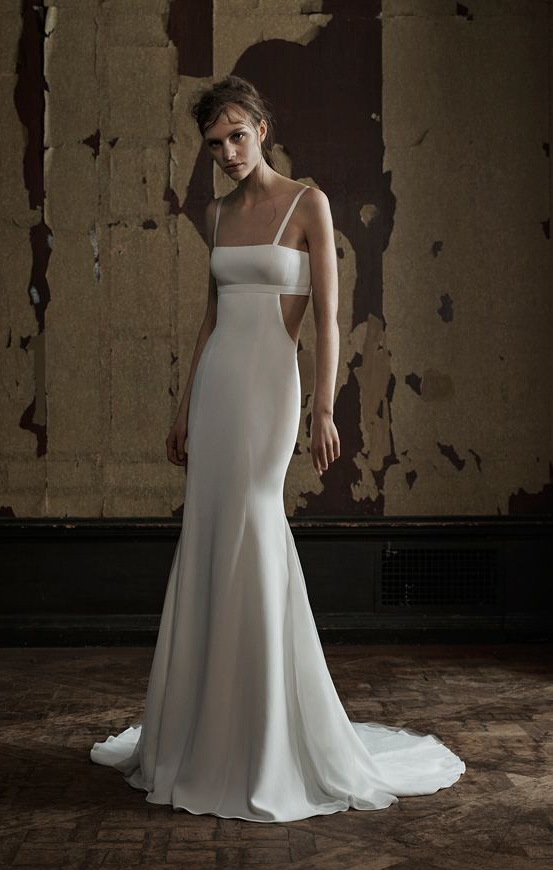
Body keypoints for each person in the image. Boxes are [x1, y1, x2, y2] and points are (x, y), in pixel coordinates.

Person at [90, 75, 466, 823]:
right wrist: (183, 405)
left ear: (261, 127)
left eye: (236, 135)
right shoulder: (219, 211)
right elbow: (209, 317)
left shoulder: (307, 202)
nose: (227, 153)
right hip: (219, 385)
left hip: (270, 387)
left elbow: (328, 318)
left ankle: (265, 737)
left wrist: (324, 404)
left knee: (257, 525)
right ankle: (202, 731)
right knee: (208, 534)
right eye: (213, 143)